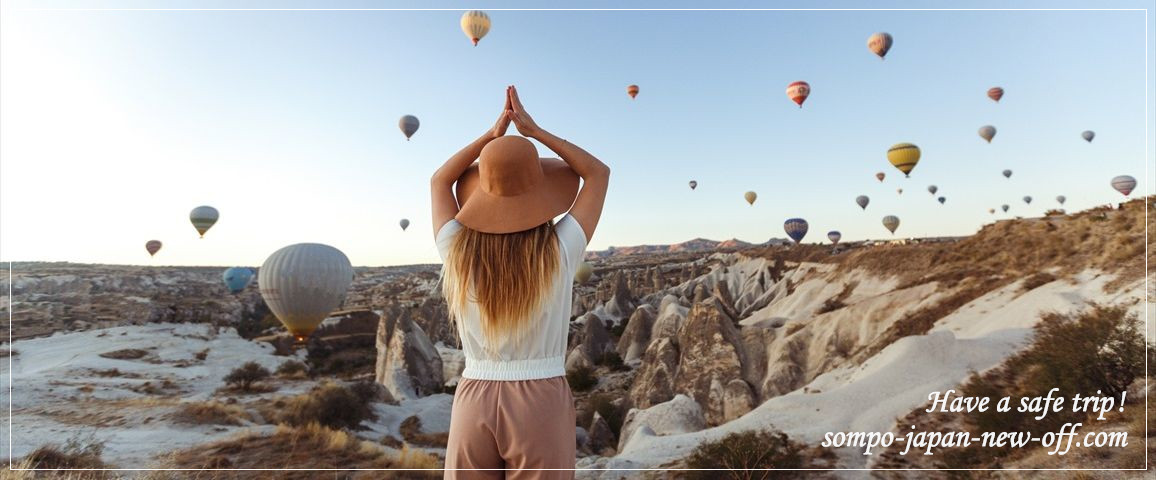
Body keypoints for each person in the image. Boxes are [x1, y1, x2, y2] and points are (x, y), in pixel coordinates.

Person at [431, 85, 610, 479]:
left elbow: (439, 182)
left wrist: (490, 138)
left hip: (474, 395)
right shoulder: (560, 250)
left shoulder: (455, 249)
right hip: (540, 399)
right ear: (540, 189)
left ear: (483, 189)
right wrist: (534, 131)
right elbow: (597, 173)